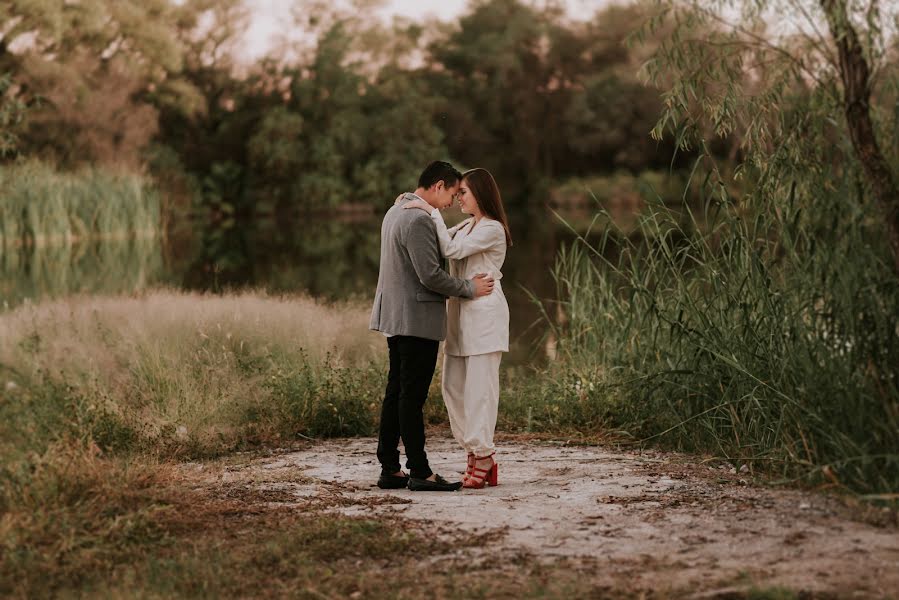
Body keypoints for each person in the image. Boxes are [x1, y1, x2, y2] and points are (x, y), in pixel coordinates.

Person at [370, 161, 495, 492]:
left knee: (396, 393)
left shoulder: (396, 210)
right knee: (411, 398)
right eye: (453, 193)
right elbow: (431, 276)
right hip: (417, 320)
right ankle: (421, 472)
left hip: (396, 317)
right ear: (439, 186)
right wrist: (469, 288)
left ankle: (389, 468)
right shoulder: (418, 219)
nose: (453, 201)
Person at [403, 168, 511, 489]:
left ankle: (484, 456)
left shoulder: (492, 228)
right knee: (453, 388)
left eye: (463, 192)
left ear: (480, 193)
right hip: (459, 316)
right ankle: (473, 451)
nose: (459, 197)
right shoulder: (466, 225)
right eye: (458, 192)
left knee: (480, 392)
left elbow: (450, 251)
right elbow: (443, 242)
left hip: (485, 316)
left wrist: (430, 209)